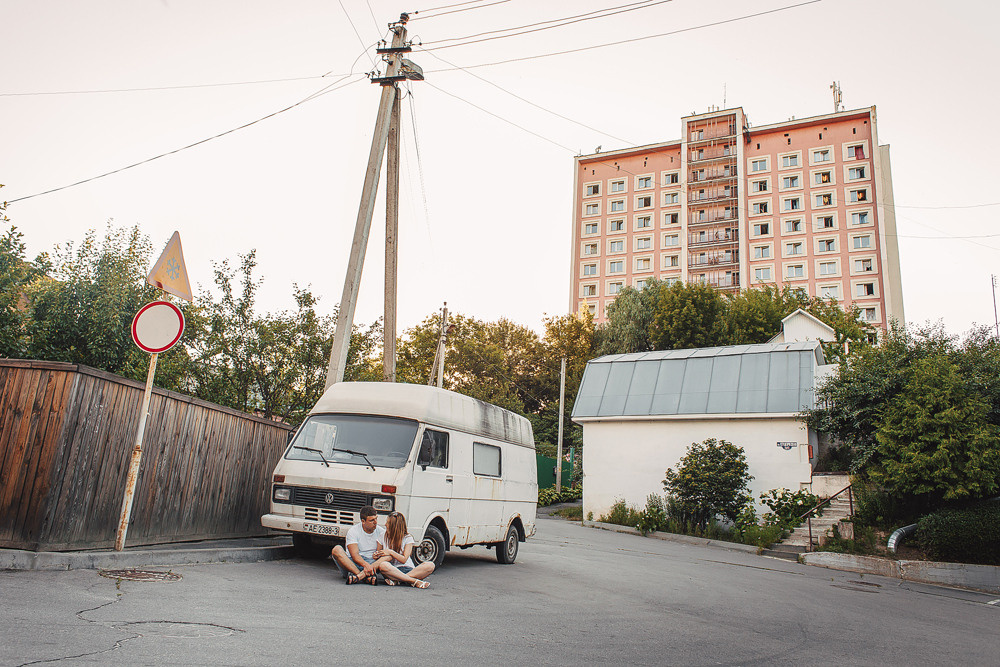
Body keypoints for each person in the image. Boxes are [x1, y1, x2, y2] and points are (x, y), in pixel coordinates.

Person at [375, 511, 435, 589]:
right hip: (392, 570)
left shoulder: (407, 538)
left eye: (388, 523)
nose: (385, 524)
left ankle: (398, 580)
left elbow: (404, 559)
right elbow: (378, 557)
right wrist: (376, 555)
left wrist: (390, 552)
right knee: (383, 565)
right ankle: (413, 581)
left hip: (408, 569)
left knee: (430, 565)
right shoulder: (382, 536)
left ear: (395, 526)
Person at [331, 505, 385, 585]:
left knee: (387, 556)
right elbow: (355, 556)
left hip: (372, 563)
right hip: (353, 564)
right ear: (363, 521)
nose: (375, 522)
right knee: (336, 549)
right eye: (371, 520)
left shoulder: (381, 531)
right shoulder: (353, 531)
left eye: (376, 519)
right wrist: (366, 565)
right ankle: (363, 577)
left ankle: (358, 577)